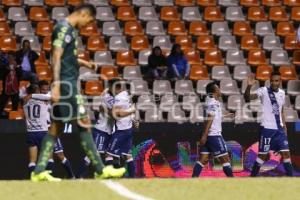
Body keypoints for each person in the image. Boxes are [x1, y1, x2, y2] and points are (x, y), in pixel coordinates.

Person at [31, 4, 125, 182]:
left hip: (67, 83)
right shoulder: (63, 28)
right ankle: (99, 169)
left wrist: (85, 63)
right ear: (83, 14)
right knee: (84, 123)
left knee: (54, 129)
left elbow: (68, 57)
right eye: (88, 20)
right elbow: (56, 56)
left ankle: (39, 170)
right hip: (66, 86)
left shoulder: (70, 31)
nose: (87, 25)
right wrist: (57, 84)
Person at [244, 72, 293, 177]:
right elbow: (248, 98)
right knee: (262, 156)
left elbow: (281, 111)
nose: (274, 83)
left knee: (286, 154)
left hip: (279, 130)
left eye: (276, 81)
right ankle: (252, 178)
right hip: (266, 128)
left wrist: (285, 126)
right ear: (270, 81)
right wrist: (249, 86)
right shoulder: (263, 91)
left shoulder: (282, 93)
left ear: (280, 81)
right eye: (272, 81)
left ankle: (292, 180)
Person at [24, 83, 75, 179]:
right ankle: (49, 177)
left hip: (33, 132)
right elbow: (52, 98)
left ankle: (71, 176)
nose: (44, 91)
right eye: (41, 90)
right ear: (38, 90)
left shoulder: (25, 102)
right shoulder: (43, 101)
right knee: (49, 157)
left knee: (58, 155)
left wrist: (31, 95)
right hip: (45, 132)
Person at [192, 82, 234, 178]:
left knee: (203, 159)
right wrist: (205, 135)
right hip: (214, 135)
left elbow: (214, 115)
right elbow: (210, 117)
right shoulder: (212, 103)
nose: (220, 90)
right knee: (225, 159)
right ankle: (233, 181)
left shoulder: (211, 101)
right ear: (215, 91)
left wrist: (226, 115)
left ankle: (193, 179)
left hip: (209, 135)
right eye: (218, 89)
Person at [77, 86, 115, 178]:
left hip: (109, 131)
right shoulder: (109, 98)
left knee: (109, 154)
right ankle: (79, 175)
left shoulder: (113, 97)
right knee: (92, 155)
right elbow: (114, 113)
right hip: (101, 130)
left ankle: (110, 176)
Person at [106, 79, 137, 178]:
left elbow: (118, 114)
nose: (110, 89)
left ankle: (110, 177)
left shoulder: (119, 98)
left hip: (121, 131)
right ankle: (132, 177)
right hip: (128, 129)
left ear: (115, 87)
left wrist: (132, 110)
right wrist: (133, 118)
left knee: (108, 154)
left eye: (111, 87)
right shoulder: (126, 94)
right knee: (128, 155)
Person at [0, 52, 22, 117]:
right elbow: (1, 76)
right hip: (6, 90)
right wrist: (7, 70)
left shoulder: (18, 66)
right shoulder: (4, 66)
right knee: (1, 106)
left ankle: (13, 121)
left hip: (15, 90)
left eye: (10, 57)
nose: (9, 59)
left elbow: (21, 76)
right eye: (8, 57)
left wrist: (16, 68)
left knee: (15, 108)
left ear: (14, 57)